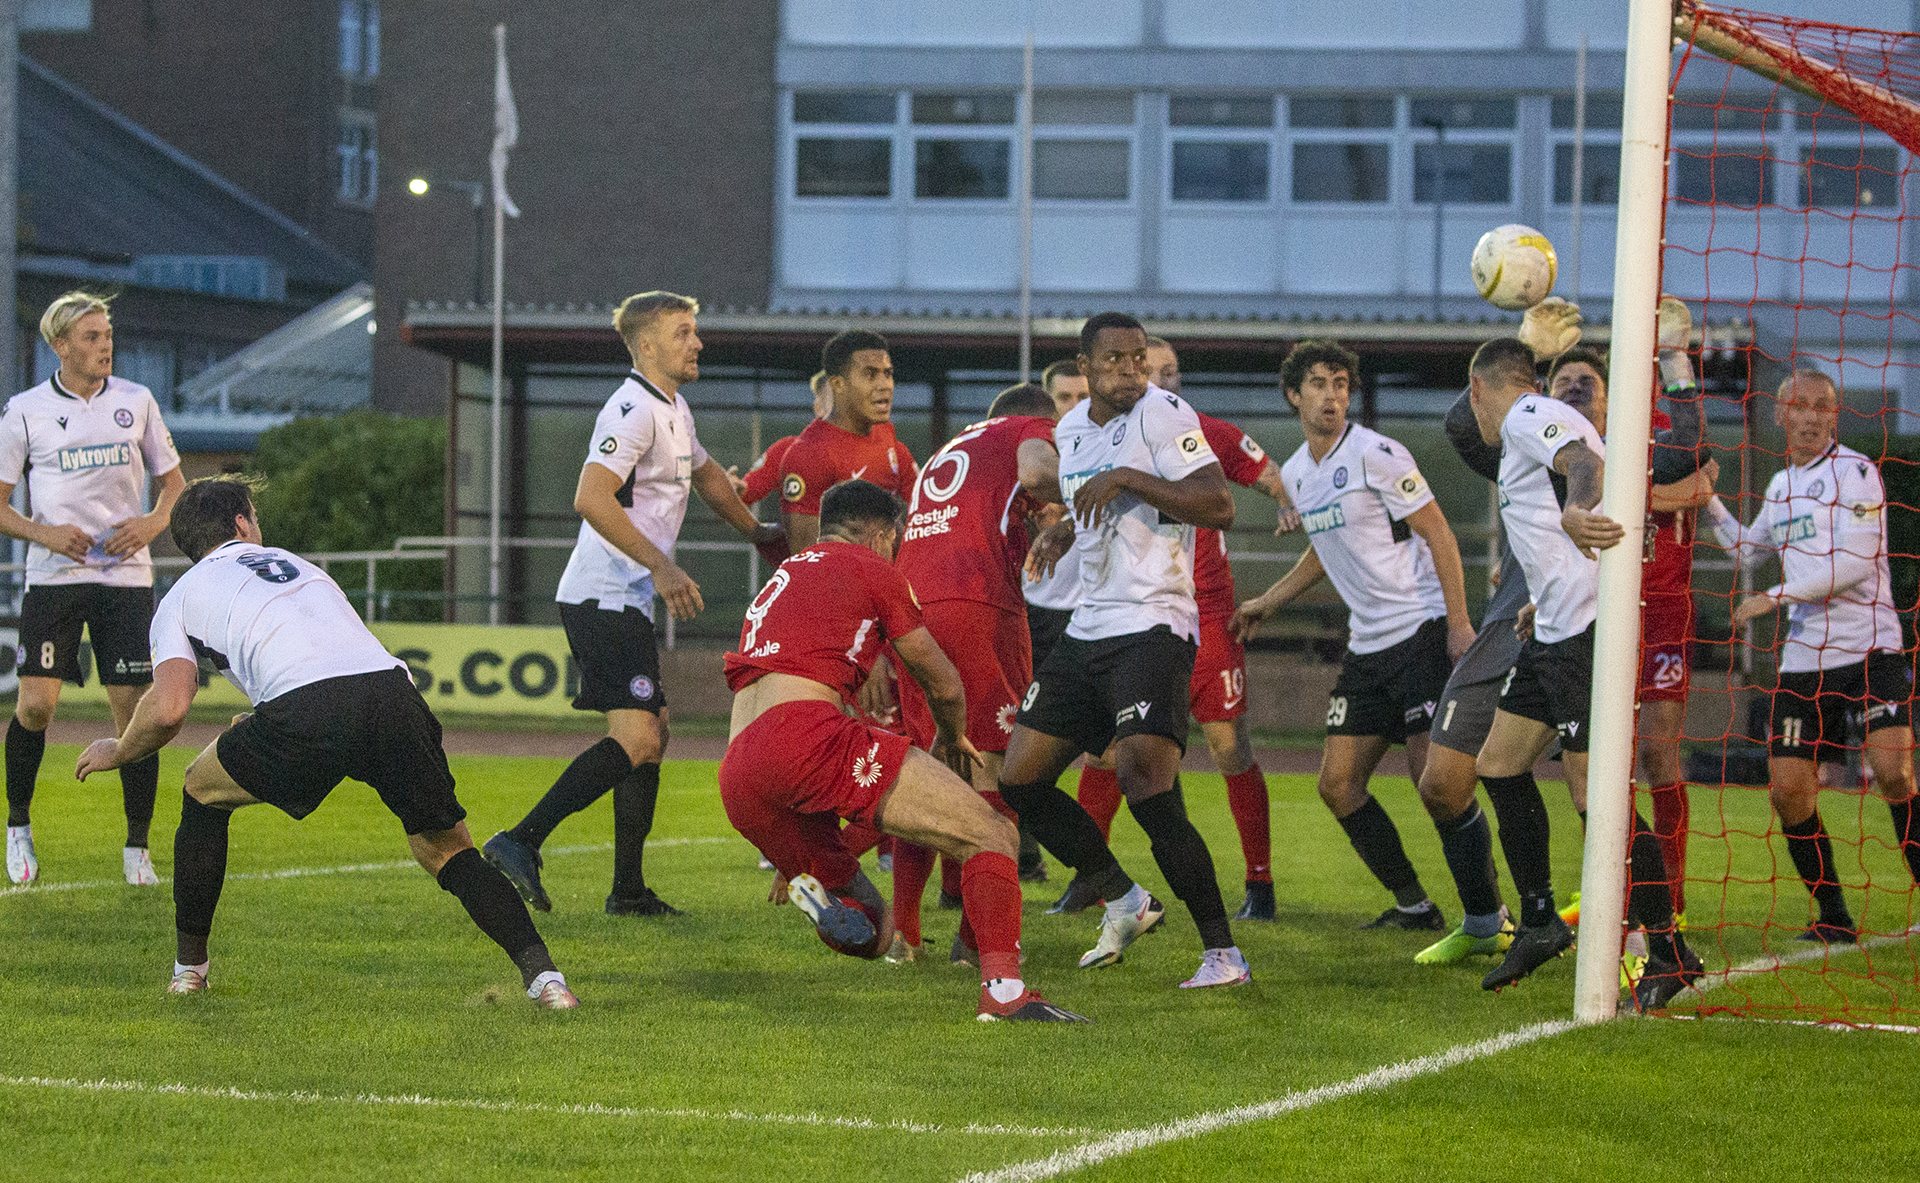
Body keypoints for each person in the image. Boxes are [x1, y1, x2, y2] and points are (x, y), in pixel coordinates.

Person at [73, 476, 577, 1008]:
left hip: (306, 711)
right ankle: (548, 982)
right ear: (243, 522)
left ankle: (188, 971)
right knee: (450, 851)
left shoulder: (178, 598)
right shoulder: (299, 565)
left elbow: (170, 707)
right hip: (393, 694)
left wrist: (120, 748)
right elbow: (329, 661)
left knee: (200, 789)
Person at [720, 479, 1086, 1021]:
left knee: (874, 930)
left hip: (740, 774)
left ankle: (824, 898)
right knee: (993, 833)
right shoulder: (873, 568)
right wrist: (950, 735)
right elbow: (944, 683)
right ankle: (1005, 994)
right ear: (884, 534)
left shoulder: (784, 577)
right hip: (802, 737)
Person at [483, 292, 783, 918]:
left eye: (695, 331)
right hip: (602, 595)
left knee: (655, 733)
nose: (696, 343)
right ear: (648, 345)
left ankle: (627, 889)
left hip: (625, 598)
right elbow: (591, 498)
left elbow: (706, 478)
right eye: (683, 333)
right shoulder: (630, 410)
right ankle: (520, 840)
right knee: (640, 736)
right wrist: (662, 565)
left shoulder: (673, 408)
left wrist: (756, 535)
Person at [1001, 311, 1250, 988]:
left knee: (1146, 784)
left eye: (1138, 358)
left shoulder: (1164, 413)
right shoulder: (1072, 427)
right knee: (1019, 777)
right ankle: (1123, 896)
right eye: (1115, 360)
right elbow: (1094, 509)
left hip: (1154, 621)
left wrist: (1129, 479)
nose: (1130, 371)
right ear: (1086, 367)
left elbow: (1218, 503)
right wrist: (1063, 536)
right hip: (1089, 626)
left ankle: (1222, 954)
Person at [1464, 337, 1701, 1010]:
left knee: (1597, 799)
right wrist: (1547, 594)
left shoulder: (1523, 416)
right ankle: (1539, 919)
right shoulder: (1530, 425)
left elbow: (1583, 463)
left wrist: (1578, 508)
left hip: (1585, 638)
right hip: (1557, 630)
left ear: (1480, 389)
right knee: (1500, 763)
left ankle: (1668, 948)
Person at [1232, 339, 1475, 932]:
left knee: (1437, 787)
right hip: (1367, 647)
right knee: (1338, 785)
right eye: (1318, 384)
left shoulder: (1378, 453)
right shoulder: (1294, 473)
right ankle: (1415, 905)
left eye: (1340, 385)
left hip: (1419, 630)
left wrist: (1460, 623)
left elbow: (1440, 534)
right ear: (1294, 395)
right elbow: (1325, 548)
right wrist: (1268, 600)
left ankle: (1489, 916)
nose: (1332, 396)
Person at [1071, 337, 1293, 921]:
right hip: (1137, 616)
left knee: (1228, 746)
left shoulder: (1200, 428)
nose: (1155, 379)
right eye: (1149, 369)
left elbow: (1265, 470)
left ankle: (1259, 883)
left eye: (1163, 369)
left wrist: (1286, 499)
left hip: (1206, 610)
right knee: (1109, 750)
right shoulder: (1107, 431)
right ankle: (1087, 880)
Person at [1706, 369, 1920, 943]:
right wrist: (1708, 501)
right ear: (1780, 414)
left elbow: (1855, 563)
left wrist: (1773, 597)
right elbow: (1749, 551)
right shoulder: (1778, 486)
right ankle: (1833, 916)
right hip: (1805, 658)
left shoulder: (1856, 472)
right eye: (1797, 405)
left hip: (1870, 645)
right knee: (1788, 790)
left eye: (1821, 406)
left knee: (1895, 773)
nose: (1808, 415)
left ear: (1834, 415)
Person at [0, 291, 186, 887]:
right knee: (36, 707)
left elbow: (176, 485)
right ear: (59, 345)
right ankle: (18, 828)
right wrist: (46, 535)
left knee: (137, 716)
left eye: (107, 336)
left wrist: (153, 524)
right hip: (54, 578)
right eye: (91, 337)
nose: (104, 346)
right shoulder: (24, 410)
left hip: (125, 581)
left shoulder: (138, 401)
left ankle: (138, 849)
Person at [887, 382, 1063, 963]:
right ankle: (975, 941)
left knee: (929, 765)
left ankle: (905, 938)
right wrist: (1101, 487)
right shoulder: (1029, 431)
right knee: (994, 765)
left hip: (912, 604)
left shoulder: (950, 450)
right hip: (978, 602)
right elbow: (1040, 476)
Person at [733, 371, 831, 508]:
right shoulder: (789, 450)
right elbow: (745, 493)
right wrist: (732, 491)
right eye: (836, 399)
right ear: (818, 408)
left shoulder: (871, 449)